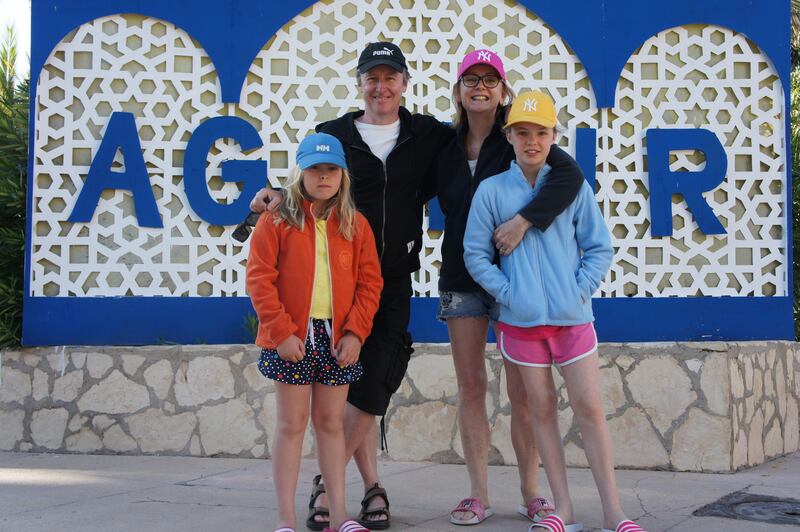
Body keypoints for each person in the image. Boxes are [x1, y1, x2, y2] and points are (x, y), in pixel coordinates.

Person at [464, 91, 645, 532]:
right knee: (541, 410)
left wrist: (578, 291)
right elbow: (475, 255)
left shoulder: (573, 187)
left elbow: (599, 248)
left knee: (589, 407)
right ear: (509, 136)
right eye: (523, 132)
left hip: (573, 320)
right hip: (521, 324)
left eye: (541, 133)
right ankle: (563, 510)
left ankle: (614, 513)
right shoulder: (491, 191)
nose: (532, 141)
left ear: (554, 136)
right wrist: (510, 294)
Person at [427, 49, 584, 525]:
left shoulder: (516, 135)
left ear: (502, 91)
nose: (480, 87)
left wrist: (523, 221)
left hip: (516, 279)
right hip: (462, 279)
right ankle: (478, 493)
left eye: (489, 80)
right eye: (471, 79)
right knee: (471, 385)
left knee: (523, 391)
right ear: (458, 90)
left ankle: (532, 491)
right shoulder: (442, 144)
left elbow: (570, 176)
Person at [246, 132, 383, 532]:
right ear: (300, 173)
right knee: (291, 425)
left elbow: (370, 284)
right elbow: (259, 280)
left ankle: (339, 516)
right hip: (292, 336)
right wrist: (281, 333)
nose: (323, 177)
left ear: (342, 175)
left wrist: (355, 333)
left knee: (331, 425)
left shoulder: (356, 225)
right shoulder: (275, 221)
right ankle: (285, 520)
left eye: (331, 170)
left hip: (337, 338)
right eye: (315, 169)